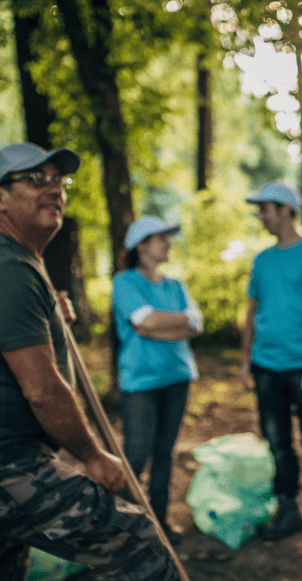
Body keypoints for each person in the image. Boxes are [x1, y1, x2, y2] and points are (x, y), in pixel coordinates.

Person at [0, 143, 179, 581]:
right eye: (35, 180)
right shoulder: (7, 269)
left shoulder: (13, 260)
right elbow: (42, 390)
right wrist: (92, 455)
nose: (54, 190)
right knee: (138, 540)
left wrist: (48, 311)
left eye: (58, 180)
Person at [237, 182, 302, 556]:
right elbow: (252, 312)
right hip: (267, 367)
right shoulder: (262, 260)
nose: (260, 216)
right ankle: (288, 513)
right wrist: (245, 361)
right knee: (278, 443)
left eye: (264, 209)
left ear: (285, 210)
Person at [112, 215, 203, 545]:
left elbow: (197, 325)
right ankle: (123, 525)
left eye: (168, 237)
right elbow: (145, 322)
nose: (168, 243)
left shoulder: (176, 285)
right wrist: (179, 324)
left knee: (166, 452)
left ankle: (160, 519)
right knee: (136, 454)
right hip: (140, 384)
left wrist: (160, 326)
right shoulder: (125, 282)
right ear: (141, 245)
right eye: (161, 238)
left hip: (178, 378)